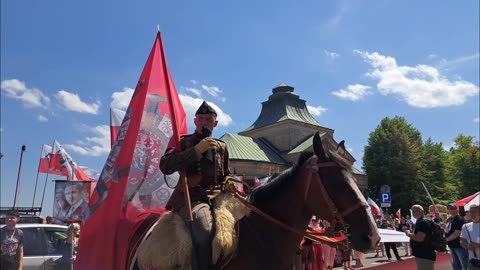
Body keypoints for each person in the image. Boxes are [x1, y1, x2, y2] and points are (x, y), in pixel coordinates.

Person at [160, 101, 233, 270]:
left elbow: (226, 174)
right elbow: (165, 166)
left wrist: (228, 181)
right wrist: (196, 151)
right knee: (204, 231)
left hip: (218, 196)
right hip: (190, 198)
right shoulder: (183, 142)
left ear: (216, 123)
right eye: (201, 119)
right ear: (195, 122)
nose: (205, 122)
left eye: (209, 119)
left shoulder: (222, 146)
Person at [407, 204, 436, 270]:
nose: (413, 213)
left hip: (424, 254)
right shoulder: (420, 221)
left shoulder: (423, 222)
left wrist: (408, 234)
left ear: (420, 211)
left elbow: (420, 238)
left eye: (414, 211)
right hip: (422, 254)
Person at [445, 203, 469, 270]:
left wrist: (445, 240)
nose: (451, 210)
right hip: (452, 245)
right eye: (449, 209)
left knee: (464, 265)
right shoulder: (450, 220)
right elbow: (449, 230)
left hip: (459, 246)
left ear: (456, 209)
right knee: (456, 265)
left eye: (452, 208)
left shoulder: (459, 219)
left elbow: (457, 233)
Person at [460, 204, 480, 270]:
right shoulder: (465, 226)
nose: (471, 213)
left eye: (474, 211)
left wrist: (478, 246)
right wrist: (468, 246)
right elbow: (462, 241)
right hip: (473, 261)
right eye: (470, 211)